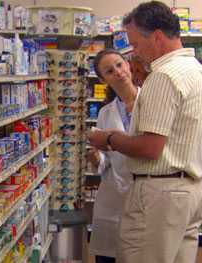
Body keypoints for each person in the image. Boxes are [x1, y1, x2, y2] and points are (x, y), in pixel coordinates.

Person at [88, 1, 202, 263]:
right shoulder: (200, 72)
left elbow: (150, 147)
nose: (135, 53)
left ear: (157, 37)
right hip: (190, 192)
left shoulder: (164, 75)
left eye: (135, 44)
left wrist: (109, 138)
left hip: (160, 195)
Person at [87, 49, 140, 263]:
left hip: (146, 192)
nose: (118, 72)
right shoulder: (105, 113)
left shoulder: (152, 101)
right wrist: (95, 157)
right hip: (114, 196)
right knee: (108, 256)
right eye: (109, 71)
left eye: (119, 65)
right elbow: (104, 162)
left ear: (128, 64)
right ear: (103, 79)